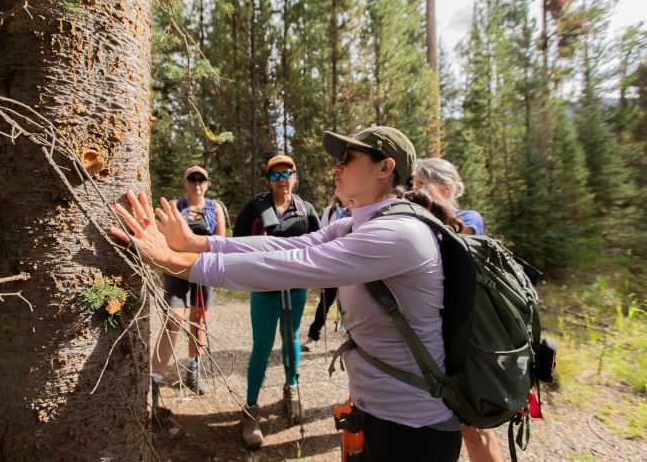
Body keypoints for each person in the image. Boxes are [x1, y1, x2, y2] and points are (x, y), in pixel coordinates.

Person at [111, 126, 463, 461]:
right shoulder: (358, 222)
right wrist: (198, 243)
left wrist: (172, 260)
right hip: (377, 415)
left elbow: (295, 263)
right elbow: (286, 245)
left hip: (413, 429)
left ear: (385, 168)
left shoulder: (398, 233)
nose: (335, 167)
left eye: (348, 158)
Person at [414, 157, 501, 462]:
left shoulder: (469, 217)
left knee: (473, 427)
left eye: (421, 186)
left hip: (468, 338)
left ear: (446, 187)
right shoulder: (419, 222)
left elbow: (462, 235)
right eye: (413, 186)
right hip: (436, 335)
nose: (415, 192)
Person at [231, 154, 320, 447]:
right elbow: (237, 242)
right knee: (262, 345)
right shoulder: (256, 206)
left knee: (291, 339)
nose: (281, 180)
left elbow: (320, 244)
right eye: (275, 175)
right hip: (265, 289)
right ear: (268, 180)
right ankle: (251, 409)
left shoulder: (306, 209)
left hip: (295, 289)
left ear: (295, 177)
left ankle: (290, 389)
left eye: (287, 174)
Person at [150, 166, 226, 414]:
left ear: (207, 184)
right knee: (174, 320)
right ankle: (153, 381)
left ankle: (195, 369)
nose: (196, 184)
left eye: (201, 179)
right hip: (176, 269)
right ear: (185, 183)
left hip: (204, 269)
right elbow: (161, 234)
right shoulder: (175, 205)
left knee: (199, 319)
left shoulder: (215, 208)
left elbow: (221, 240)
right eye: (192, 179)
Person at [301, 195, 351, 353]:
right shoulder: (330, 211)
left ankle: (351, 339)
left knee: (350, 305)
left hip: (352, 267)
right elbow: (322, 235)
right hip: (332, 265)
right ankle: (313, 336)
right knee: (324, 303)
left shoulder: (359, 210)